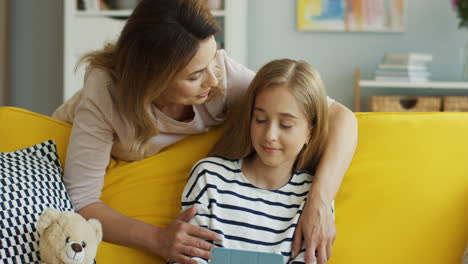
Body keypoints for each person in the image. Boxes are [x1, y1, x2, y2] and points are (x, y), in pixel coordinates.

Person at [52, 0, 358, 263]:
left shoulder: (219, 77)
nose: (214, 80)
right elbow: (81, 197)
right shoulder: (105, 94)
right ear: (152, 77)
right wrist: (158, 239)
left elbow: (341, 117)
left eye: (213, 57)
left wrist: (319, 201)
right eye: (196, 74)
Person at [173, 59, 332, 264]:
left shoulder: (314, 200)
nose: (270, 135)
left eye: (285, 125)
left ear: (309, 132)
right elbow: (187, 256)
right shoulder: (209, 177)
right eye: (261, 120)